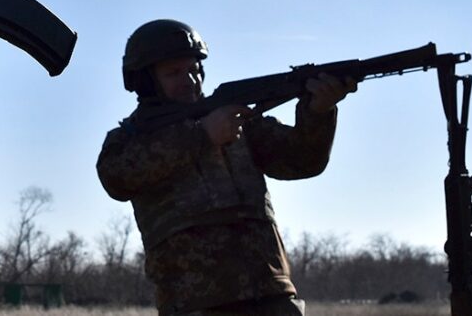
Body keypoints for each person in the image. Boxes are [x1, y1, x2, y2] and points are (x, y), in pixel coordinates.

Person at [96, 19, 358, 316]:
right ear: (145, 81)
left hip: (272, 293)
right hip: (195, 303)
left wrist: (318, 112)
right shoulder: (129, 139)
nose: (190, 81)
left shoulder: (239, 122)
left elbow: (303, 161)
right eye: (174, 73)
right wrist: (201, 136)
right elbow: (116, 178)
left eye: (195, 70)